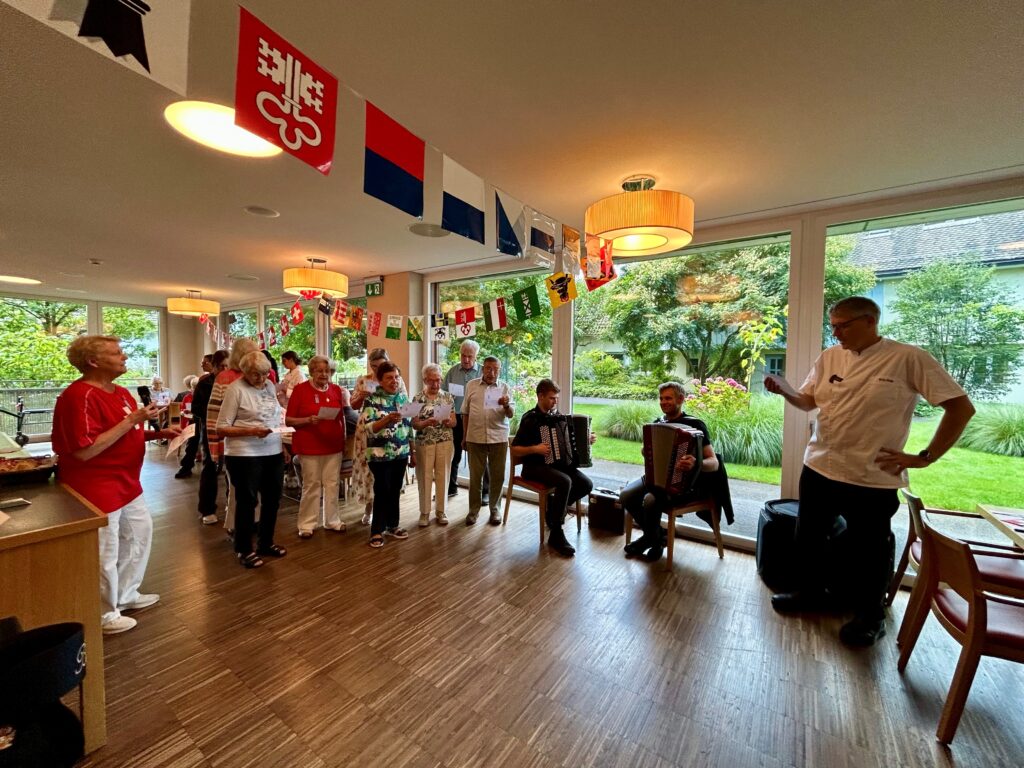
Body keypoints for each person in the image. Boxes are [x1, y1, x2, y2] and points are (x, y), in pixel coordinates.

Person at [765, 296, 975, 647]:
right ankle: (811, 593)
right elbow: (807, 401)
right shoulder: (830, 357)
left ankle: (870, 616)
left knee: (869, 549)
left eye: (843, 326)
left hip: (871, 475)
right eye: (832, 326)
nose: (836, 333)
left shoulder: (908, 358)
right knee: (809, 536)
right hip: (819, 465)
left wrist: (925, 457)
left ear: (870, 321)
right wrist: (785, 389)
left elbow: (960, 408)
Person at [51, 335, 180, 635]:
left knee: (138, 535)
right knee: (104, 550)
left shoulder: (121, 392)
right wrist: (133, 419)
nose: (124, 357)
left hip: (127, 482)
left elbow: (123, 434)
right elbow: (85, 450)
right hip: (96, 485)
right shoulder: (79, 396)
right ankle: (104, 614)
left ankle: (125, 593)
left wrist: (158, 434)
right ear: (93, 361)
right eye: (117, 352)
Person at [618, 381, 719, 563]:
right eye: (661, 398)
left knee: (650, 500)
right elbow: (648, 453)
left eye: (668, 398)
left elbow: (714, 463)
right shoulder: (658, 423)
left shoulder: (695, 425)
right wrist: (646, 451)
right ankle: (656, 537)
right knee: (626, 495)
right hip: (655, 478)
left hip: (684, 484)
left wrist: (696, 463)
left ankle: (652, 540)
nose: (663, 402)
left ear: (680, 399)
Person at [217, 351, 288, 568]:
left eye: (265, 374)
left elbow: (274, 417)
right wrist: (252, 431)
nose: (261, 379)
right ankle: (244, 548)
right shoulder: (235, 390)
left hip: (272, 451)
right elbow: (221, 428)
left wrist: (283, 445)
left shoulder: (269, 386)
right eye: (256, 375)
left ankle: (266, 543)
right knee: (247, 502)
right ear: (245, 372)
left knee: (273, 499)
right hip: (244, 454)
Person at [512, 379, 597, 557]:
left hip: (555, 466)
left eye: (556, 398)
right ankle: (556, 533)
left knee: (586, 484)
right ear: (540, 396)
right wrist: (536, 449)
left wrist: (585, 440)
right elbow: (515, 449)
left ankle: (553, 512)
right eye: (552, 398)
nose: (555, 401)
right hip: (533, 467)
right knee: (565, 481)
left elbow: (570, 441)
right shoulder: (530, 419)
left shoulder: (557, 416)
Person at [286, 355, 347, 538]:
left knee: (332, 484)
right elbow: (288, 420)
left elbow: (341, 418)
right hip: (310, 446)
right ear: (312, 371)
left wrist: (343, 441)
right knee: (311, 485)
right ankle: (307, 524)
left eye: (327, 371)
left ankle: (332, 520)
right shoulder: (300, 390)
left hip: (333, 445)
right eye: (319, 370)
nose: (324, 374)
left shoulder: (336, 390)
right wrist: (307, 420)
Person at [205, 338, 260, 530]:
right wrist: (215, 445)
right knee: (237, 488)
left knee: (255, 488)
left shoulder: (260, 376)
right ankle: (236, 525)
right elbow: (214, 414)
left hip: (259, 443)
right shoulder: (225, 378)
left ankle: (253, 522)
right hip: (236, 443)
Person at [350, 348, 407, 525]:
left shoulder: (396, 379)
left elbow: (404, 403)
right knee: (369, 472)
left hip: (392, 432)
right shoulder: (364, 380)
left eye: (380, 365)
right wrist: (361, 396)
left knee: (387, 476)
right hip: (367, 429)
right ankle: (369, 510)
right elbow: (353, 405)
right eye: (373, 366)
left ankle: (388, 517)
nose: (376, 369)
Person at [361, 361, 413, 548]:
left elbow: (408, 427)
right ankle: (376, 530)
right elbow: (369, 428)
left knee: (395, 489)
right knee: (382, 490)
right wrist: (387, 419)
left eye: (397, 377)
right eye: (389, 378)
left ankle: (393, 525)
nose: (394, 381)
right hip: (379, 454)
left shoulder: (403, 398)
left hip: (401, 452)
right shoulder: (372, 399)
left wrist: (412, 452)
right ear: (380, 381)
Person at [461, 356, 513, 526]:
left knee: (498, 476)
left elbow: (511, 414)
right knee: (475, 477)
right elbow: (465, 412)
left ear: (499, 371)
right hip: (475, 437)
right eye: (488, 368)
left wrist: (506, 405)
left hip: (498, 437)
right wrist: (464, 436)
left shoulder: (505, 388)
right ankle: (473, 511)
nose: (491, 372)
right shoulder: (471, 385)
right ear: (482, 368)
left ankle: (495, 510)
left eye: (495, 369)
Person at [411, 363, 457, 527]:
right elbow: (414, 424)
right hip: (425, 442)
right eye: (431, 381)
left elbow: (454, 422)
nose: (436, 384)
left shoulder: (447, 397)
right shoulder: (417, 398)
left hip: (445, 440)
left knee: (443, 476)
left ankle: (441, 511)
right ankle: (424, 513)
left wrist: (448, 421)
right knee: (424, 477)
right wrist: (426, 422)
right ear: (425, 380)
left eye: (438, 380)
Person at [444, 339, 482, 499]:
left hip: (475, 419)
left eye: (470, 356)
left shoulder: (482, 372)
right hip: (456, 418)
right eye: (463, 355)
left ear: (476, 356)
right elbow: (443, 394)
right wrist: (448, 399)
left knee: (479, 458)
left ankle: (483, 492)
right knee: (454, 455)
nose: (466, 359)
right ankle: (451, 488)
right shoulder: (452, 372)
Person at [193, 349, 229, 523]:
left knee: (233, 467)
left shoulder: (234, 382)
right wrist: (214, 415)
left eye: (228, 366)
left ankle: (231, 502)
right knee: (210, 467)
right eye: (222, 366)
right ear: (214, 366)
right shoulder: (204, 383)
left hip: (231, 431)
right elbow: (196, 408)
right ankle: (207, 509)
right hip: (210, 431)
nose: (225, 370)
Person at [173, 374, 201, 478]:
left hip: (203, 421)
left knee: (194, 440)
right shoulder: (187, 396)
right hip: (194, 421)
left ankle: (187, 465)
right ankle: (186, 466)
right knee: (192, 441)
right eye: (193, 387)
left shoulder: (203, 395)